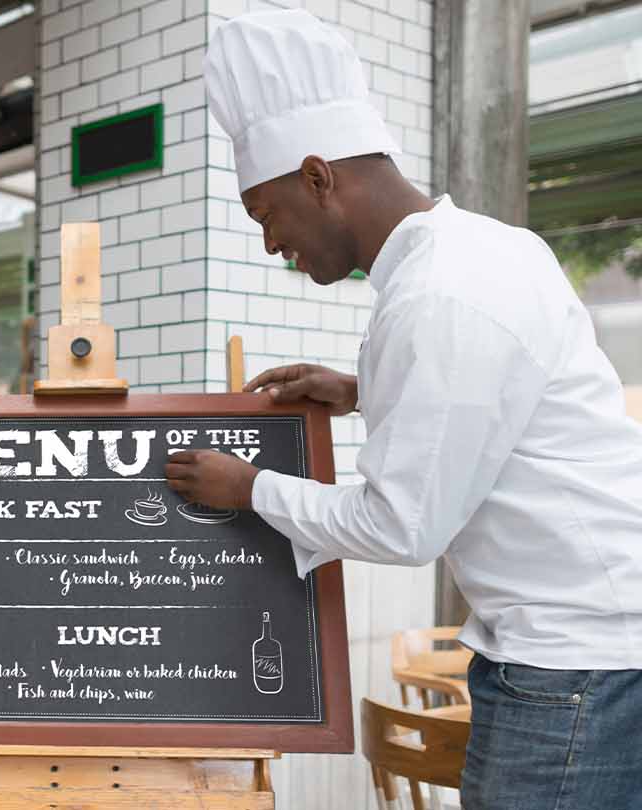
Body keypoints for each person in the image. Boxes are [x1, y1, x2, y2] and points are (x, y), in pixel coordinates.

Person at [164, 10, 642, 808]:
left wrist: (248, 490)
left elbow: (403, 525)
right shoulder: (487, 249)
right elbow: (500, 409)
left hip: (572, 671)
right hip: (588, 652)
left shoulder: (440, 296)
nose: (270, 243)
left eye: (265, 213)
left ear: (318, 178)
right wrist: (360, 394)